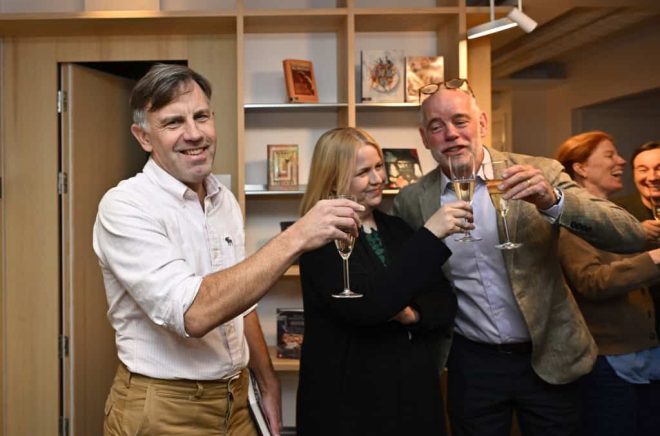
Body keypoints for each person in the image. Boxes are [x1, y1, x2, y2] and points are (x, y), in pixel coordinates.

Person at [93, 64, 363, 436]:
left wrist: (266, 383)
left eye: (201, 116)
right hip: (165, 408)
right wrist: (296, 236)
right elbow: (195, 313)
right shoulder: (125, 206)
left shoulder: (224, 200)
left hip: (237, 399)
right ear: (143, 137)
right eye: (173, 123)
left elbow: (242, 302)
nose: (194, 134)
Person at [392, 78, 646, 436]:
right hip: (472, 363)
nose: (451, 134)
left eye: (460, 121)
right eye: (437, 126)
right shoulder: (412, 201)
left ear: (481, 123)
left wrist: (553, 201)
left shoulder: (537, 172)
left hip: (549, 355)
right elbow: (416, 276)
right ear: (424, 137)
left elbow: (628, 233)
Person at [296, 127, 470, 436]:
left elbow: (444, 301)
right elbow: (367, 308)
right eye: (363, 172)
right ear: (334, 179)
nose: (378, 178)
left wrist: (412, 313)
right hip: (351, 404)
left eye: (379, 166)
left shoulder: (397, 228)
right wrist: (431, 234)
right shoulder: (318, 238)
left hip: (411, 397)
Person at [556, 131, 660, 436]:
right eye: (610, 155)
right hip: (609, 360)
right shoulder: (572, 218)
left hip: (644, 352)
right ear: (581, 168)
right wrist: (653, 259)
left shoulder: (614, 214)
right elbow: (592, 281)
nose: (622, 161)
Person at [614, 141, 660, 337]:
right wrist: (634, 232)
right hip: (638, 321)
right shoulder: (616, 211)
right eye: (643, 169)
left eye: (659, 169)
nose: (652, 177)